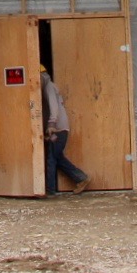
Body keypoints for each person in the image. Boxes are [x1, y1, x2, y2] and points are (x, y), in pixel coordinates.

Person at [40, 66, 89, 194]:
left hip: (58, 129)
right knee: (57, 157)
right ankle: (81, 178)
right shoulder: (51, 87)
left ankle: (50, 191)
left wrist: (51, 124)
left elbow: (54, 107)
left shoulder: (49, 87)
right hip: (59, 129)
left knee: (51, 158)